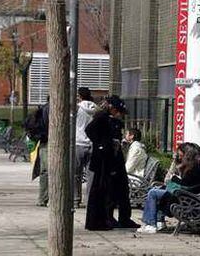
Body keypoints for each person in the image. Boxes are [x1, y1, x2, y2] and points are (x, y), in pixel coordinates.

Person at [85, 95, 139, 230]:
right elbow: (90, 131)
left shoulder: (114, 122)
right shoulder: (102, 117)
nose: (120, 115)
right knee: (105, 190)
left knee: (122, 189)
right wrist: (101, 145)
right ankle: (106, 218)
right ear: (112, 108)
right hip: (105, 160)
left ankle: (123, 218)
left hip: (115, 158)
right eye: (118, 111)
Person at [137, 142, 200, 234]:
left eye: (180, 153)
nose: (178, 155)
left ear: (186, 154)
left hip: (186, 199)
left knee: (153, 193)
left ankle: (150, 224)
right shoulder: (189, 166)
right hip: (185, 197)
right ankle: (159, 222)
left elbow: (186, 186)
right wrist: (176, 167)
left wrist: (173, 180)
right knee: (156, 190)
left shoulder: (194, 169)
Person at [74, 87, 97, 207]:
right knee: (91, 175)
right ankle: (89, 200)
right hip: (92, 144)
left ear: (80, 96)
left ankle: (76, 199)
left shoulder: (77, 108)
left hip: (78, 142)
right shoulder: (96, 109)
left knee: (76, 174)